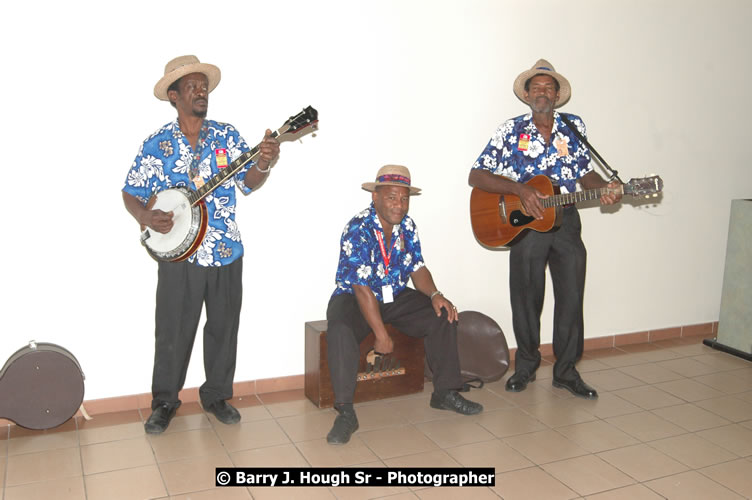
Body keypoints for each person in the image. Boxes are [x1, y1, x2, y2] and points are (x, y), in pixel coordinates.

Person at [122, 55, 280, 433]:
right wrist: (145, 216)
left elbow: (248, 183)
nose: (200, 91)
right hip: (179, 258)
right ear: (173, 96)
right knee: (173, 330)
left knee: (224, 327)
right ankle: (164, 401)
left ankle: (217, 396)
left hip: (225, 250)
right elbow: (130, 192)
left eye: (204, 86)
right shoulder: (157, 143)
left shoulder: (227, 136)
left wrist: (264, 163)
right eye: (192, 86)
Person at [468, 59, 621, 399]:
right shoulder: (510, 130)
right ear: (526, 94)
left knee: (571, 296)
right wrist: (519, 190)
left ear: (557, 95)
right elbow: (476, 175)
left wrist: (606, 188)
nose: (542, 92)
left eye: (548, 87)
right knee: (525, 298)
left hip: (565, 218)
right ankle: (525, 366)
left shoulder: (573, 126)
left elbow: (585, 174)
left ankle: (566, 371)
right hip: (526, 224)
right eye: (536, 87)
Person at [325, 165, 483, 445]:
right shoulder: (357, 228)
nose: (399, 204)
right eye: (391, 197)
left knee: (442, 314)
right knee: (340, 329)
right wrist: (381, 335)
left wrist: (435, 294)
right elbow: (362, 289)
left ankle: (444, 393)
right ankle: (345, 411)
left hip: (393, 294)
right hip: (355, 296)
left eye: (404, 198)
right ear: (375, 197)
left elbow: (417, 267)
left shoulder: (407, 226)